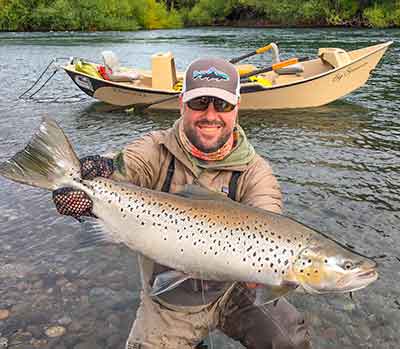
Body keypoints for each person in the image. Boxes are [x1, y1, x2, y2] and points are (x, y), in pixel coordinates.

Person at [53, 57, 311, 349]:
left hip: (236, 291)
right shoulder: (154, 148)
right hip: (169, 301)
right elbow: (125, 166)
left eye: (222, 105)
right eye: (200, 103)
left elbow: (270, 220)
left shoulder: (256, 171)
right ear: (182, 104)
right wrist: (92, 177)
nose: (211, 115)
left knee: (289, 338)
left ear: (237, 107)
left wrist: (269, 274)